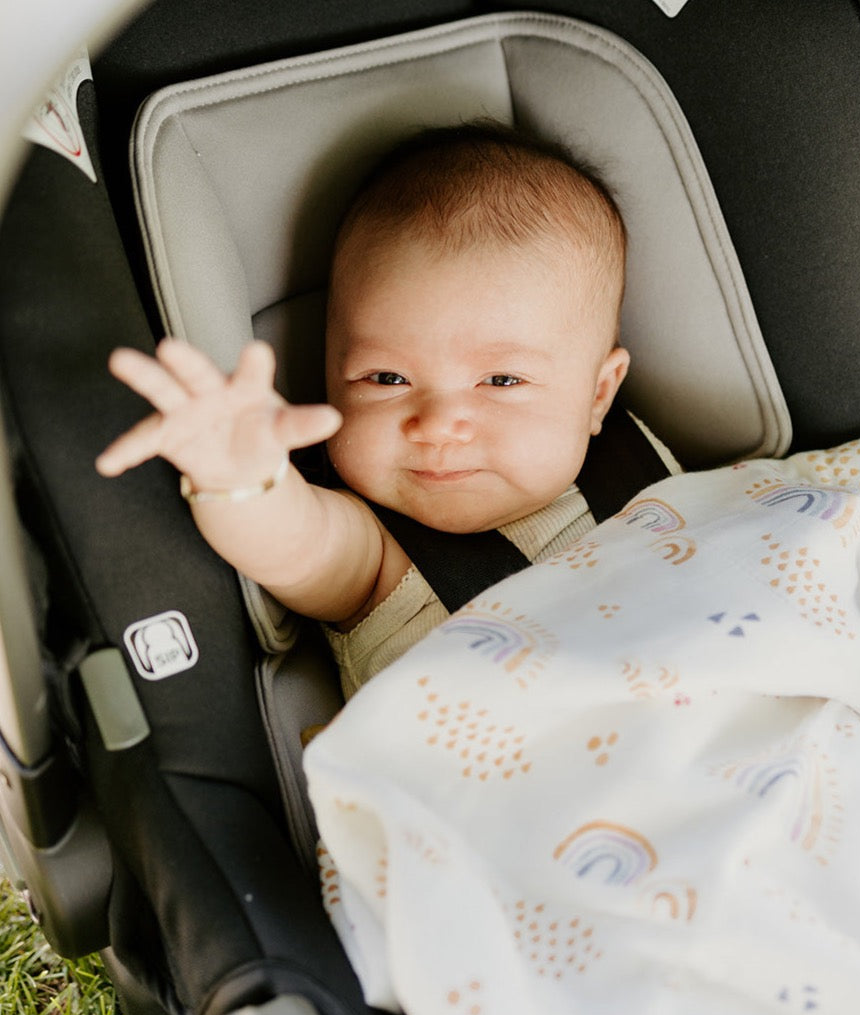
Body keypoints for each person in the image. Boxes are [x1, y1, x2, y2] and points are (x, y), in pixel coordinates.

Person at [97, 123, 676, 696]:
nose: (438, 426)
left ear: (598, 394)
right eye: (388, 378)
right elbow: (295, 545)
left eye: (501, 380)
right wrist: (241, 474)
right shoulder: (376, 556)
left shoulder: (653, 470)